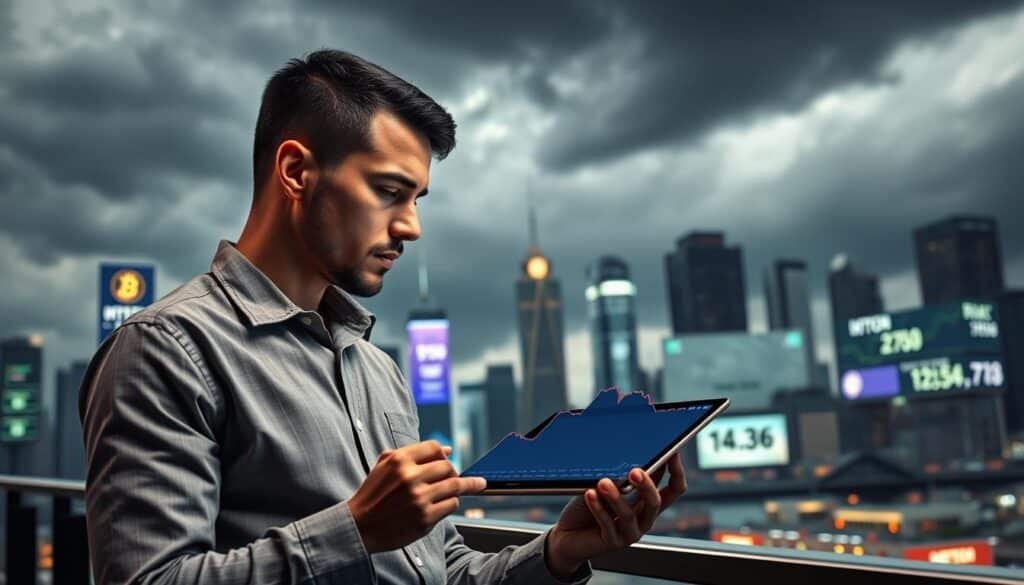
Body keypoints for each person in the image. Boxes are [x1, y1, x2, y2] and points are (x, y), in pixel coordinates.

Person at [79, 49, 687, 585]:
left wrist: (558, 551)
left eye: (417, 200)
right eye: (389, 192)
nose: (412, 227)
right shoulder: (165, 350)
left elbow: (440, 571)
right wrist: (354, 530)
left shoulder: (376, 369)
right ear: (296, 172)